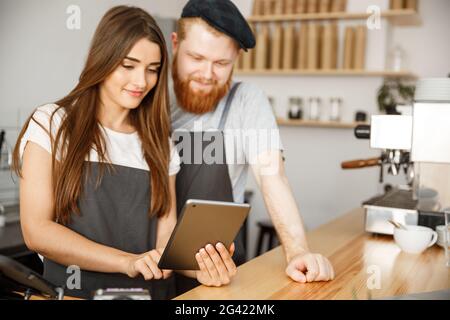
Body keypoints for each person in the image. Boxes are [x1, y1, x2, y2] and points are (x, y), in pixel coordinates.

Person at [12, 5, 236, 299]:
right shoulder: (51, 123)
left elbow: (164, 240)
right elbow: (37, 231)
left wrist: (202, 267)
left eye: (152, 70)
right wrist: (126, 262)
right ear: (102, 60)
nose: (141, 82)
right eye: (128, 66)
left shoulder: (158, 142)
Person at [170, 0, 335, 294]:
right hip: (146, 265)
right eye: (196, 57)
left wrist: (297, 251)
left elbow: (272, 176)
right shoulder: (146, 94)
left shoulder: (246, 101)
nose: (207, 74)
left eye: (222, 64)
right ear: (175, 44)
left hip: (218, 271)